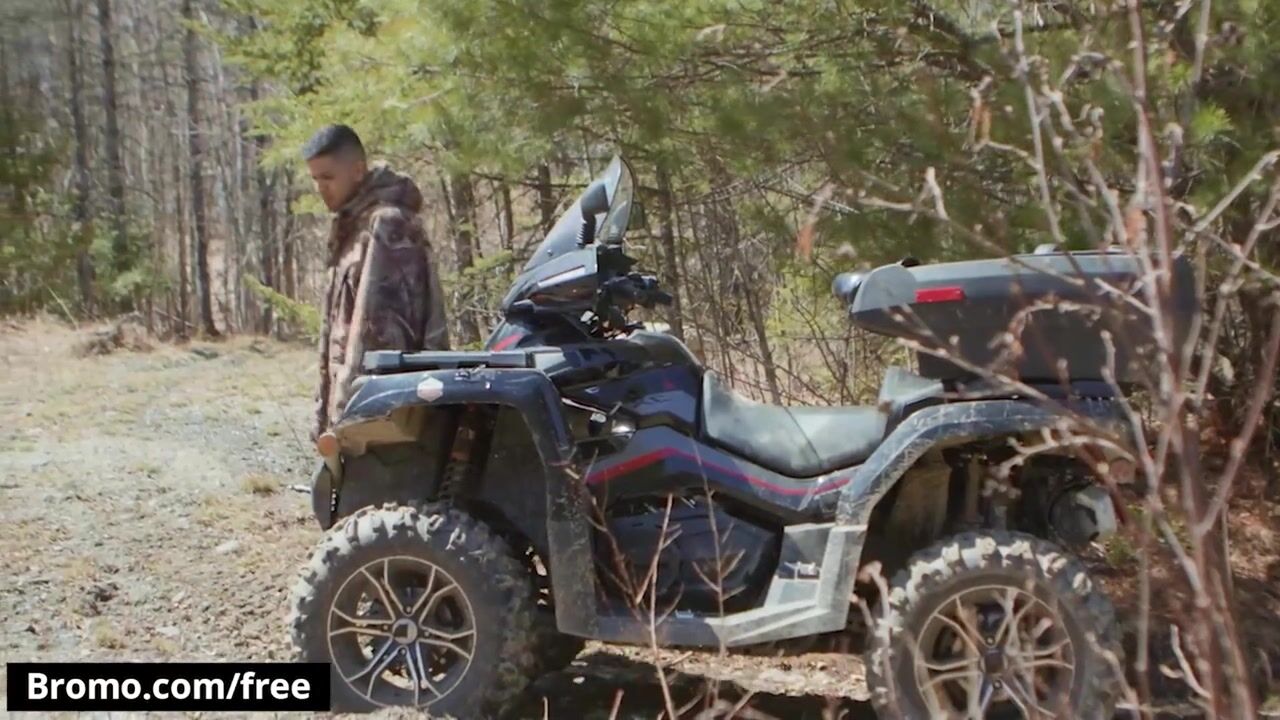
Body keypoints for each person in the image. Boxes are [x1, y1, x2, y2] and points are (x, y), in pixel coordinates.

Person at [304, 124, 449, 441]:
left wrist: (349, 419)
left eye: (327, 177)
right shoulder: (351, 227)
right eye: (315, 179)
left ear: (357, 171)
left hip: (384, 421)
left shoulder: (388, 225)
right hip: (360, 415)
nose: (320, 188)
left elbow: (381, 340)